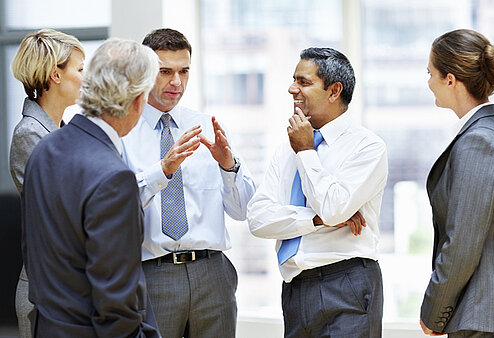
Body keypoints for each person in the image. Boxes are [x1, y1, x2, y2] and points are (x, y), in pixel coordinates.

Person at [121, 28, 256, 338]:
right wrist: (163, 170)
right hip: (153, 273)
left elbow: (243, 210)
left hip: (212, 273)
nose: (176, 82)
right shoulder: (123, 131)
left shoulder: (207, 126)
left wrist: (228, 166)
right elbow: (118, 205)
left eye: (184, 71)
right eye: (165, 71)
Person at [21, 38, 161, 337]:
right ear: (139, 100)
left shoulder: (44, 149)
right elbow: (117, 305)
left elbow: (34, 256)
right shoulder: (114, 178)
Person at [247, 47, 388, 337]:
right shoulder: (287, 149)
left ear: (334, 91)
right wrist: (315, 220)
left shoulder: (367, 147)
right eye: (293, 80)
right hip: (296, 288)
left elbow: (334, 208)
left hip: (346, 282)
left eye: (303, 82)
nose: (292, 89)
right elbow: (258, 219)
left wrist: (306, 151)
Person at [419, 29, 494, 337]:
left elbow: (463, 242)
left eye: (430, 73)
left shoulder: (479, 141)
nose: (428, 82)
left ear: (451, 79)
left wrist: (433, 312)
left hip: (486, 310)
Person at [9, 28, 85, 338]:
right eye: (79, 70)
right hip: (48, 294)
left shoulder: (63, 132)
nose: (85, 78)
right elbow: (66, 208)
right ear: (55, 75)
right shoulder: (30, 134)